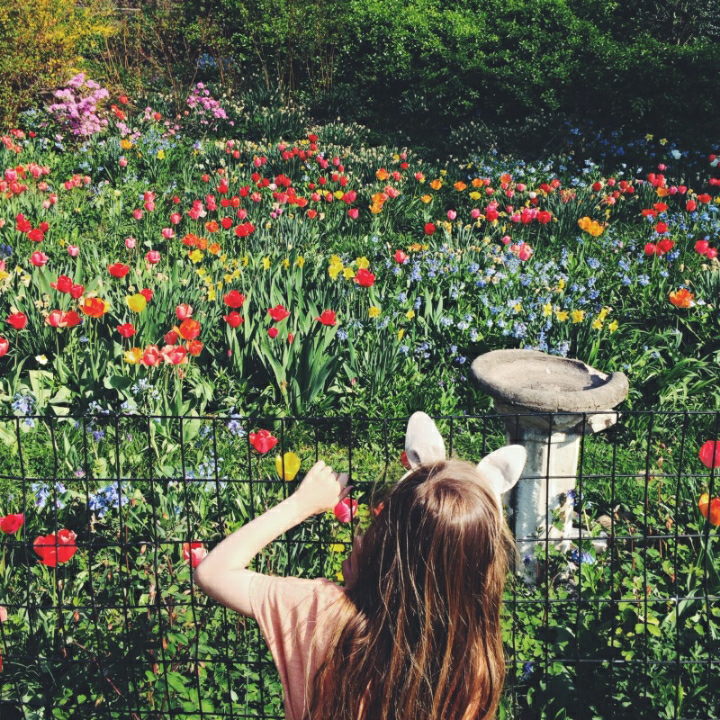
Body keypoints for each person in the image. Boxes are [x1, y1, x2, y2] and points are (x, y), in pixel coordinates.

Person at [193, 413, 526, 720]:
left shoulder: (322, 613)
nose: (363, 530)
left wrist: (302, 504)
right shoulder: (470, 666)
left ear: (385, 545)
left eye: (376, 522)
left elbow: (213, 572)